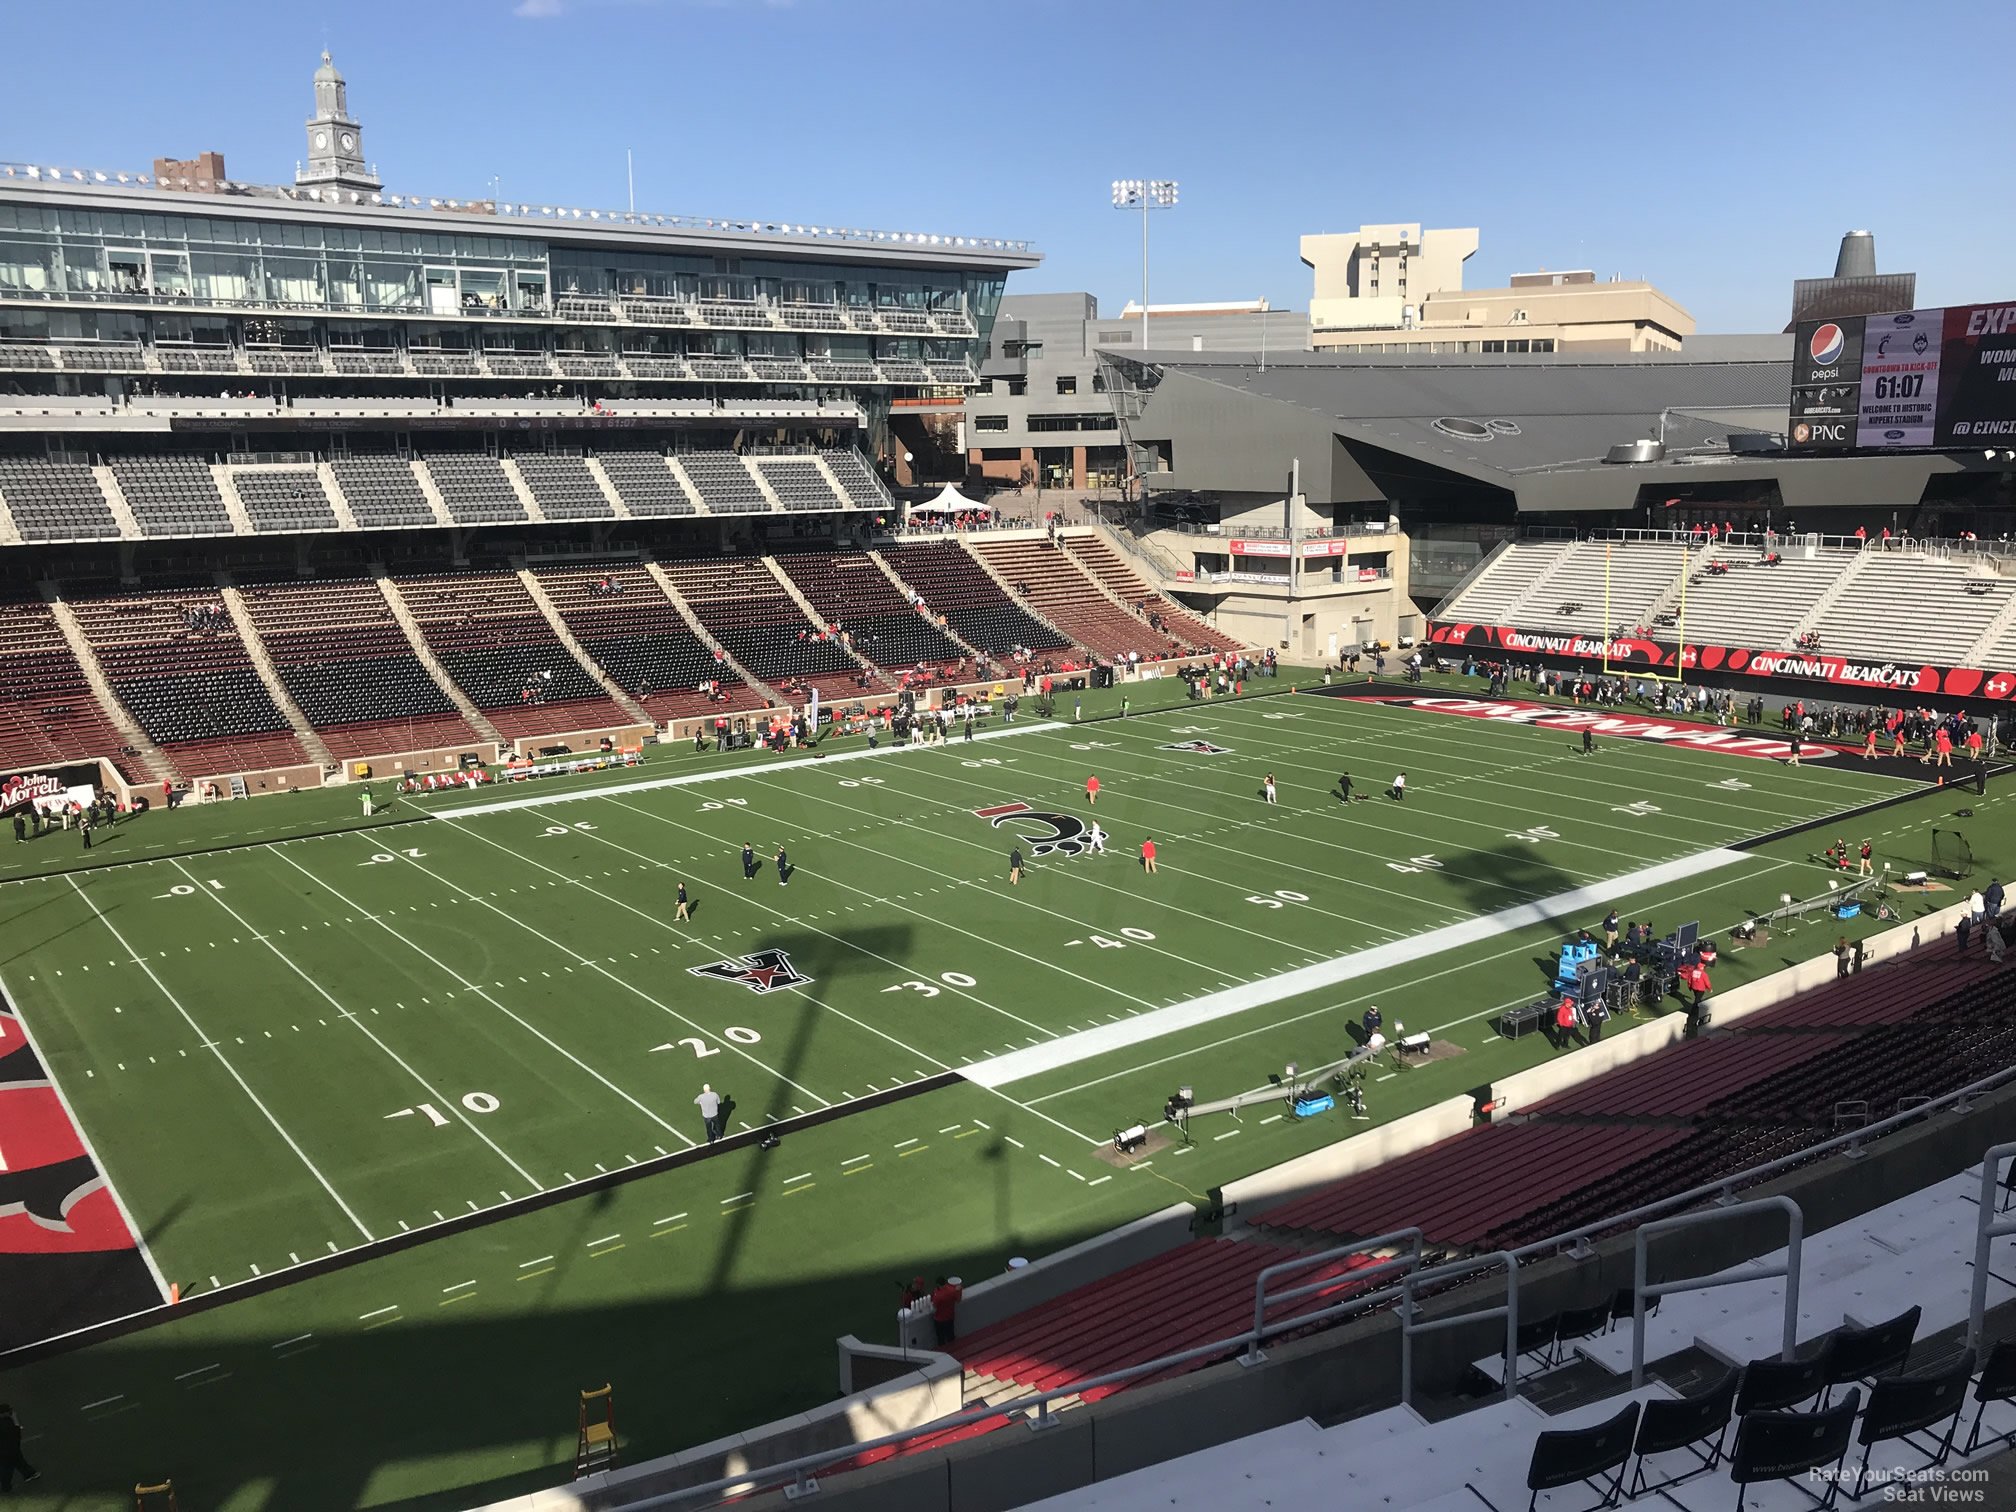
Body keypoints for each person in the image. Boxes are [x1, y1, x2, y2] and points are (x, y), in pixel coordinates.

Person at [0, 1404, 37, 1491]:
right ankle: (6, 1487)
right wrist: (15, 1419)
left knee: (18, 1462)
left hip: (6, 1449)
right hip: (9, 1449)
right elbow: (16, 1434)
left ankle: (30, 1474)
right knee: (8, 1467)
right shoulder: (7, 1422)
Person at [930, 1276, 963, 1345]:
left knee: (941, 1338)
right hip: (950, 1317)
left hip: (939, 1319)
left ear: (938, 1285)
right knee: (950, 1336)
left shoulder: (938, 1295)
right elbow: (958, 1300)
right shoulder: (952, 1290)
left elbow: (934, 1307)